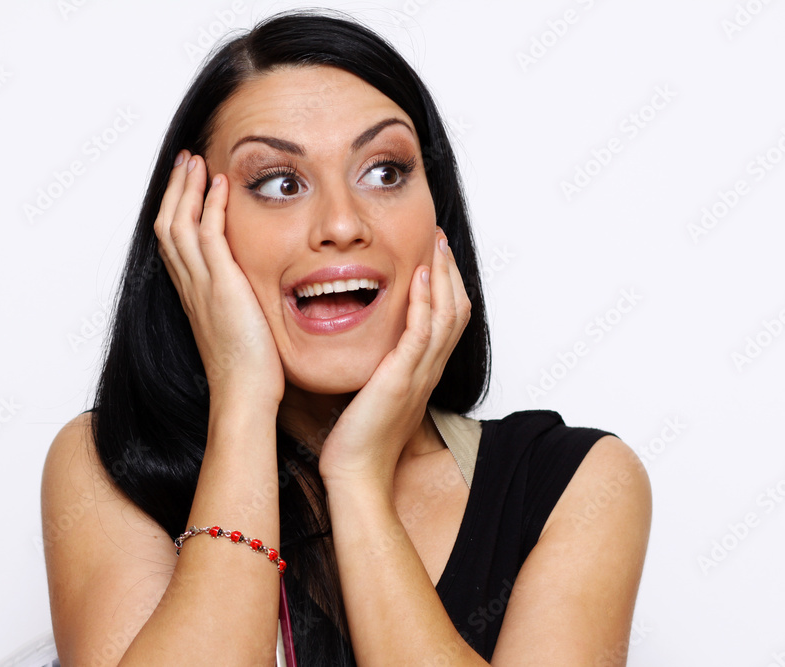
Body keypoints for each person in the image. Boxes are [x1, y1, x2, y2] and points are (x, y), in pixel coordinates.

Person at [40, 8, 651, 666]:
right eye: (279, 183)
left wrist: (358, 478)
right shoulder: (113, 464)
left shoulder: (576, 482)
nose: (341, 223)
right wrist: (243, 396)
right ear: (192, 228)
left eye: (385, 172)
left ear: (437, 216)